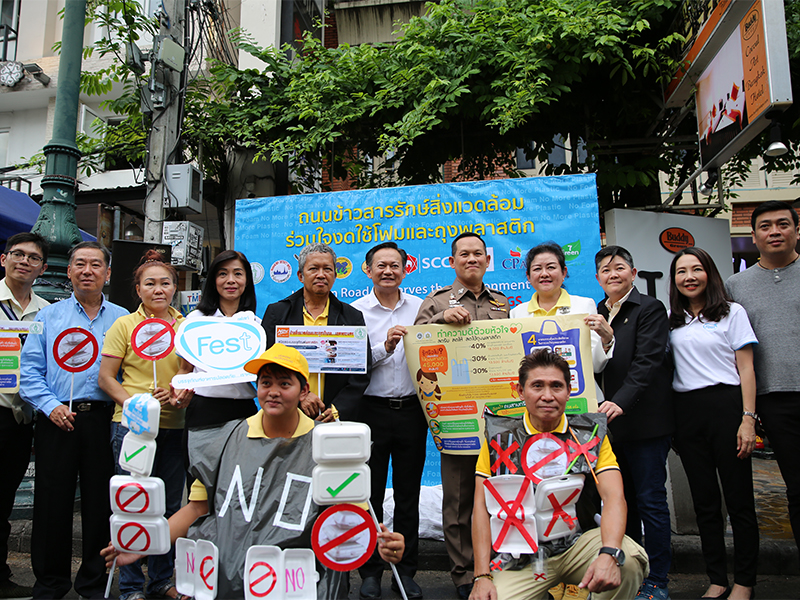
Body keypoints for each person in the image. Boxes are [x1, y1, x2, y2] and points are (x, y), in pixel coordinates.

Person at [101, 343, 406, 600]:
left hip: (298, 585)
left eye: (284, 383)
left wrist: (384, 546)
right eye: (266, 382)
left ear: (304, 389)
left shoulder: (330, 446)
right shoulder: (222, 440)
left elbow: (351, 518)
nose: (273, 391)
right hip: (229, 582)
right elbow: (196, 508)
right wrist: (143, 545)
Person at [471, 349, 649, 600]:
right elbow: (480, 507)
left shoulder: (590, 434)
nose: (547, 396)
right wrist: (481, 576)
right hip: (521, 554)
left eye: (556, 386)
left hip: (579, 543)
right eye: (537, 386)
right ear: (520, 391)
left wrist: (609, 553)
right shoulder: (499, 438)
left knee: (627, 561)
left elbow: (614, 498)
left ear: (569, 390)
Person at [19, 241, 128, 599]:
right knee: (52, 503)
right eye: (79, 264)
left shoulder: (123, 318)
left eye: (96, 265)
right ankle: (50, 583)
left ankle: (94, 583)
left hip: (103, 420)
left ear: (107, 273)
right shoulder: (46, 317)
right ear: (68, 272)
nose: (87, 270)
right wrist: (50, 406)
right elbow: (29, 370)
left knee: (100, 504)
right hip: (57, 418)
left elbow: (131, 372)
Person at [414, 232, 509, 599]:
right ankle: (463, 573)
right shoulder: (436, 301)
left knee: (500, 496)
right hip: (455, 415)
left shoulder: (502, 303)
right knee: (458, 500)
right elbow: (415, 345)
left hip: (499, 417)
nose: (471, 259)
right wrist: (439, 319)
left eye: (478, 254)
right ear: (452, 262)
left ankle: (496, 566)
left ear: (487, 260)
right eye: (464, 254)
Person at [98, 250, 189, 600]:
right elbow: (107, 378)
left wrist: (178, 391)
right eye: (149, 283)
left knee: (167, 508)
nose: (158, 289)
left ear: (174, 287)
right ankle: (132, 586)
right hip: (131, 427)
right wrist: (135, 406)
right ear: (138, 289)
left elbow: (189, 373)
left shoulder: (186, 325)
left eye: (165, 283)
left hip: (174, 425)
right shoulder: (124, 325)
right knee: (132, 504)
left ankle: (162, 581)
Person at [669, 247, 758, 600]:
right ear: (674, 280)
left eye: (696, 269)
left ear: (709, 273)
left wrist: (747, 419)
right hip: (686, 413)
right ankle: (717, 579)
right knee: (705, 502)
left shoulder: (731, 312)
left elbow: (747, 368)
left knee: (739, 502)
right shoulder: (671, 319)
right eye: (681, 271)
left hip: (726, 408)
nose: (689, 277)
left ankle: (745, 582)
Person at [594, 246, 674, 600]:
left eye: (619, 268)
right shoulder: (595, 313)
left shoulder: (650, 309)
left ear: (634, 273)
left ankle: (658, 580)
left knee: (651, 502)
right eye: (606, 270)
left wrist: (620, 403)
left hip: (645, 425)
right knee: (622, 504)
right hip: (608, 429)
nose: (613, 274)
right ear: (597, 277)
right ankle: (633, 574)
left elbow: (648, 362)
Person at [726, 200, 800, 559]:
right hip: (775, 400)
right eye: (766, 226)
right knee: (796, 489)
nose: (775, 232)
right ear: (753, 237)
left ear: (796, 231)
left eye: (783, 224)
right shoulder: (736, 286)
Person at [351, 242, 425, 600]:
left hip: (413, 411)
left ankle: (407, 571)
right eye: (380, 265)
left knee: (409, 495)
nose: (388, 271)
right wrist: (386, 346)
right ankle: (370, 571)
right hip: (371, 412)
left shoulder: (421, 308)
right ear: (368, 270)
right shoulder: (354, 312)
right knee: (371, 496)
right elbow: (353, 363)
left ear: (405, 269)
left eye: (395, 265)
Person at [261, 243, 371, 423]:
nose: (321, 274)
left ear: (335, 275)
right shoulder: (278, 313)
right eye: (313, 268)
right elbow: (267, 366)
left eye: (327, 269)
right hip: (288, 414)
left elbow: (362, 372)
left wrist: (336, 409)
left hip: (335, 418)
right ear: (300, 275)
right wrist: (299, 396)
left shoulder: (352, 317)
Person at [176, 250, 259, 481]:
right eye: (223, 274)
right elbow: (184, 370)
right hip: (204, 410)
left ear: (247, 281)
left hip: (244, 412)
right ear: (213, 280)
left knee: (240, 484)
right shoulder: (194, 321)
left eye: (238, 274)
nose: (230, 280)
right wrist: (178, 393)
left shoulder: (255, 326)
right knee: (201, 487)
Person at [0, 233, 49, 599]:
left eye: (33, 258)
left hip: (21, 418)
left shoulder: (46, 311)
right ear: (4, 260)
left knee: (3, 499)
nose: (24, 262)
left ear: (43, 268)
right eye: (18, 254)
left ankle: (1, 575)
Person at [509, 242, 613, 388]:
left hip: (579, 394)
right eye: (537, 269)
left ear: (564, 272)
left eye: (551, 267)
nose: (544, 273)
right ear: (528, 276)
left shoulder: (584, 306)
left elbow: (596, 365)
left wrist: (606, 340)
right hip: (536, 398)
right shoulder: (516, 313)